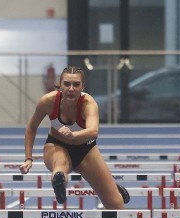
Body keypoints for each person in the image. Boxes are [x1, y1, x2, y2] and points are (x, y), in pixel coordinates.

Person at [19, 66, 129, 208]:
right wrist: (28, 158)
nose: (71, 89)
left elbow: (93, 131)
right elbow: (31, 127)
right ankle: (59, 184)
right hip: (56, 144)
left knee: (116, 206)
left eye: (76, 84)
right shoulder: (48, 101)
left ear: (83, 86)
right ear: (60, 85)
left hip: (86, 150)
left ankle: (111, 188)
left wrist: (73, 135)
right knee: (60, 166)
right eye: (67, 84)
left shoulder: (88, 104)